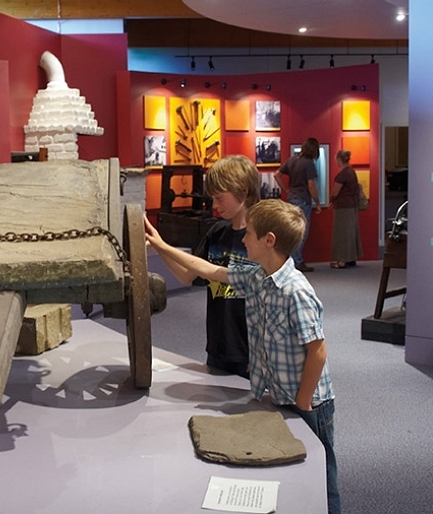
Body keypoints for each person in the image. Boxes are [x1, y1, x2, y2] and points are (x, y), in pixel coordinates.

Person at [144, 199, 341, 514]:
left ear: (269, 240)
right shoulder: (256, 277)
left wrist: (303, 401)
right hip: (280, 396)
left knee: (321, 476)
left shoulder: (296, 292)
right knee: (289, 471)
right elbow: (209, 270)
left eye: (249, 233)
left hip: (309, 403)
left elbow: (317, 351)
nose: (244, 239)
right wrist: (162, 245)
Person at [153, 155, 260, 378]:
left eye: (220, 198)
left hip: (252, 354)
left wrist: (263, 350)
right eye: (213, 198)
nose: (215, 205)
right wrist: (159, 247)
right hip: (218, 347)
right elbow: (186, 276)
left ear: (243, 191)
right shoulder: (217, 232)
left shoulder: (263, 238)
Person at [274, 137, 322, 272]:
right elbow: (311, 185)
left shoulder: (292, 160)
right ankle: (297, 261)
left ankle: (291, 261)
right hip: (303, 200)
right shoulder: (309, 163)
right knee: (302, 232)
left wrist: (286, 189)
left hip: (291, 199)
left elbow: (277, 175)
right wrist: (317, 202)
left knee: (292, 231)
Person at [329, 150, 363, 268]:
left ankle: (342, 261)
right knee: (351, 233)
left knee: (342, 234)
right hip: (352, 206)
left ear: (339, 159)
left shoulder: (343, 174)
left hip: (343, 207)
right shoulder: (351, 172)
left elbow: (335, 192)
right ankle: (351, 258)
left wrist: (331, 200)